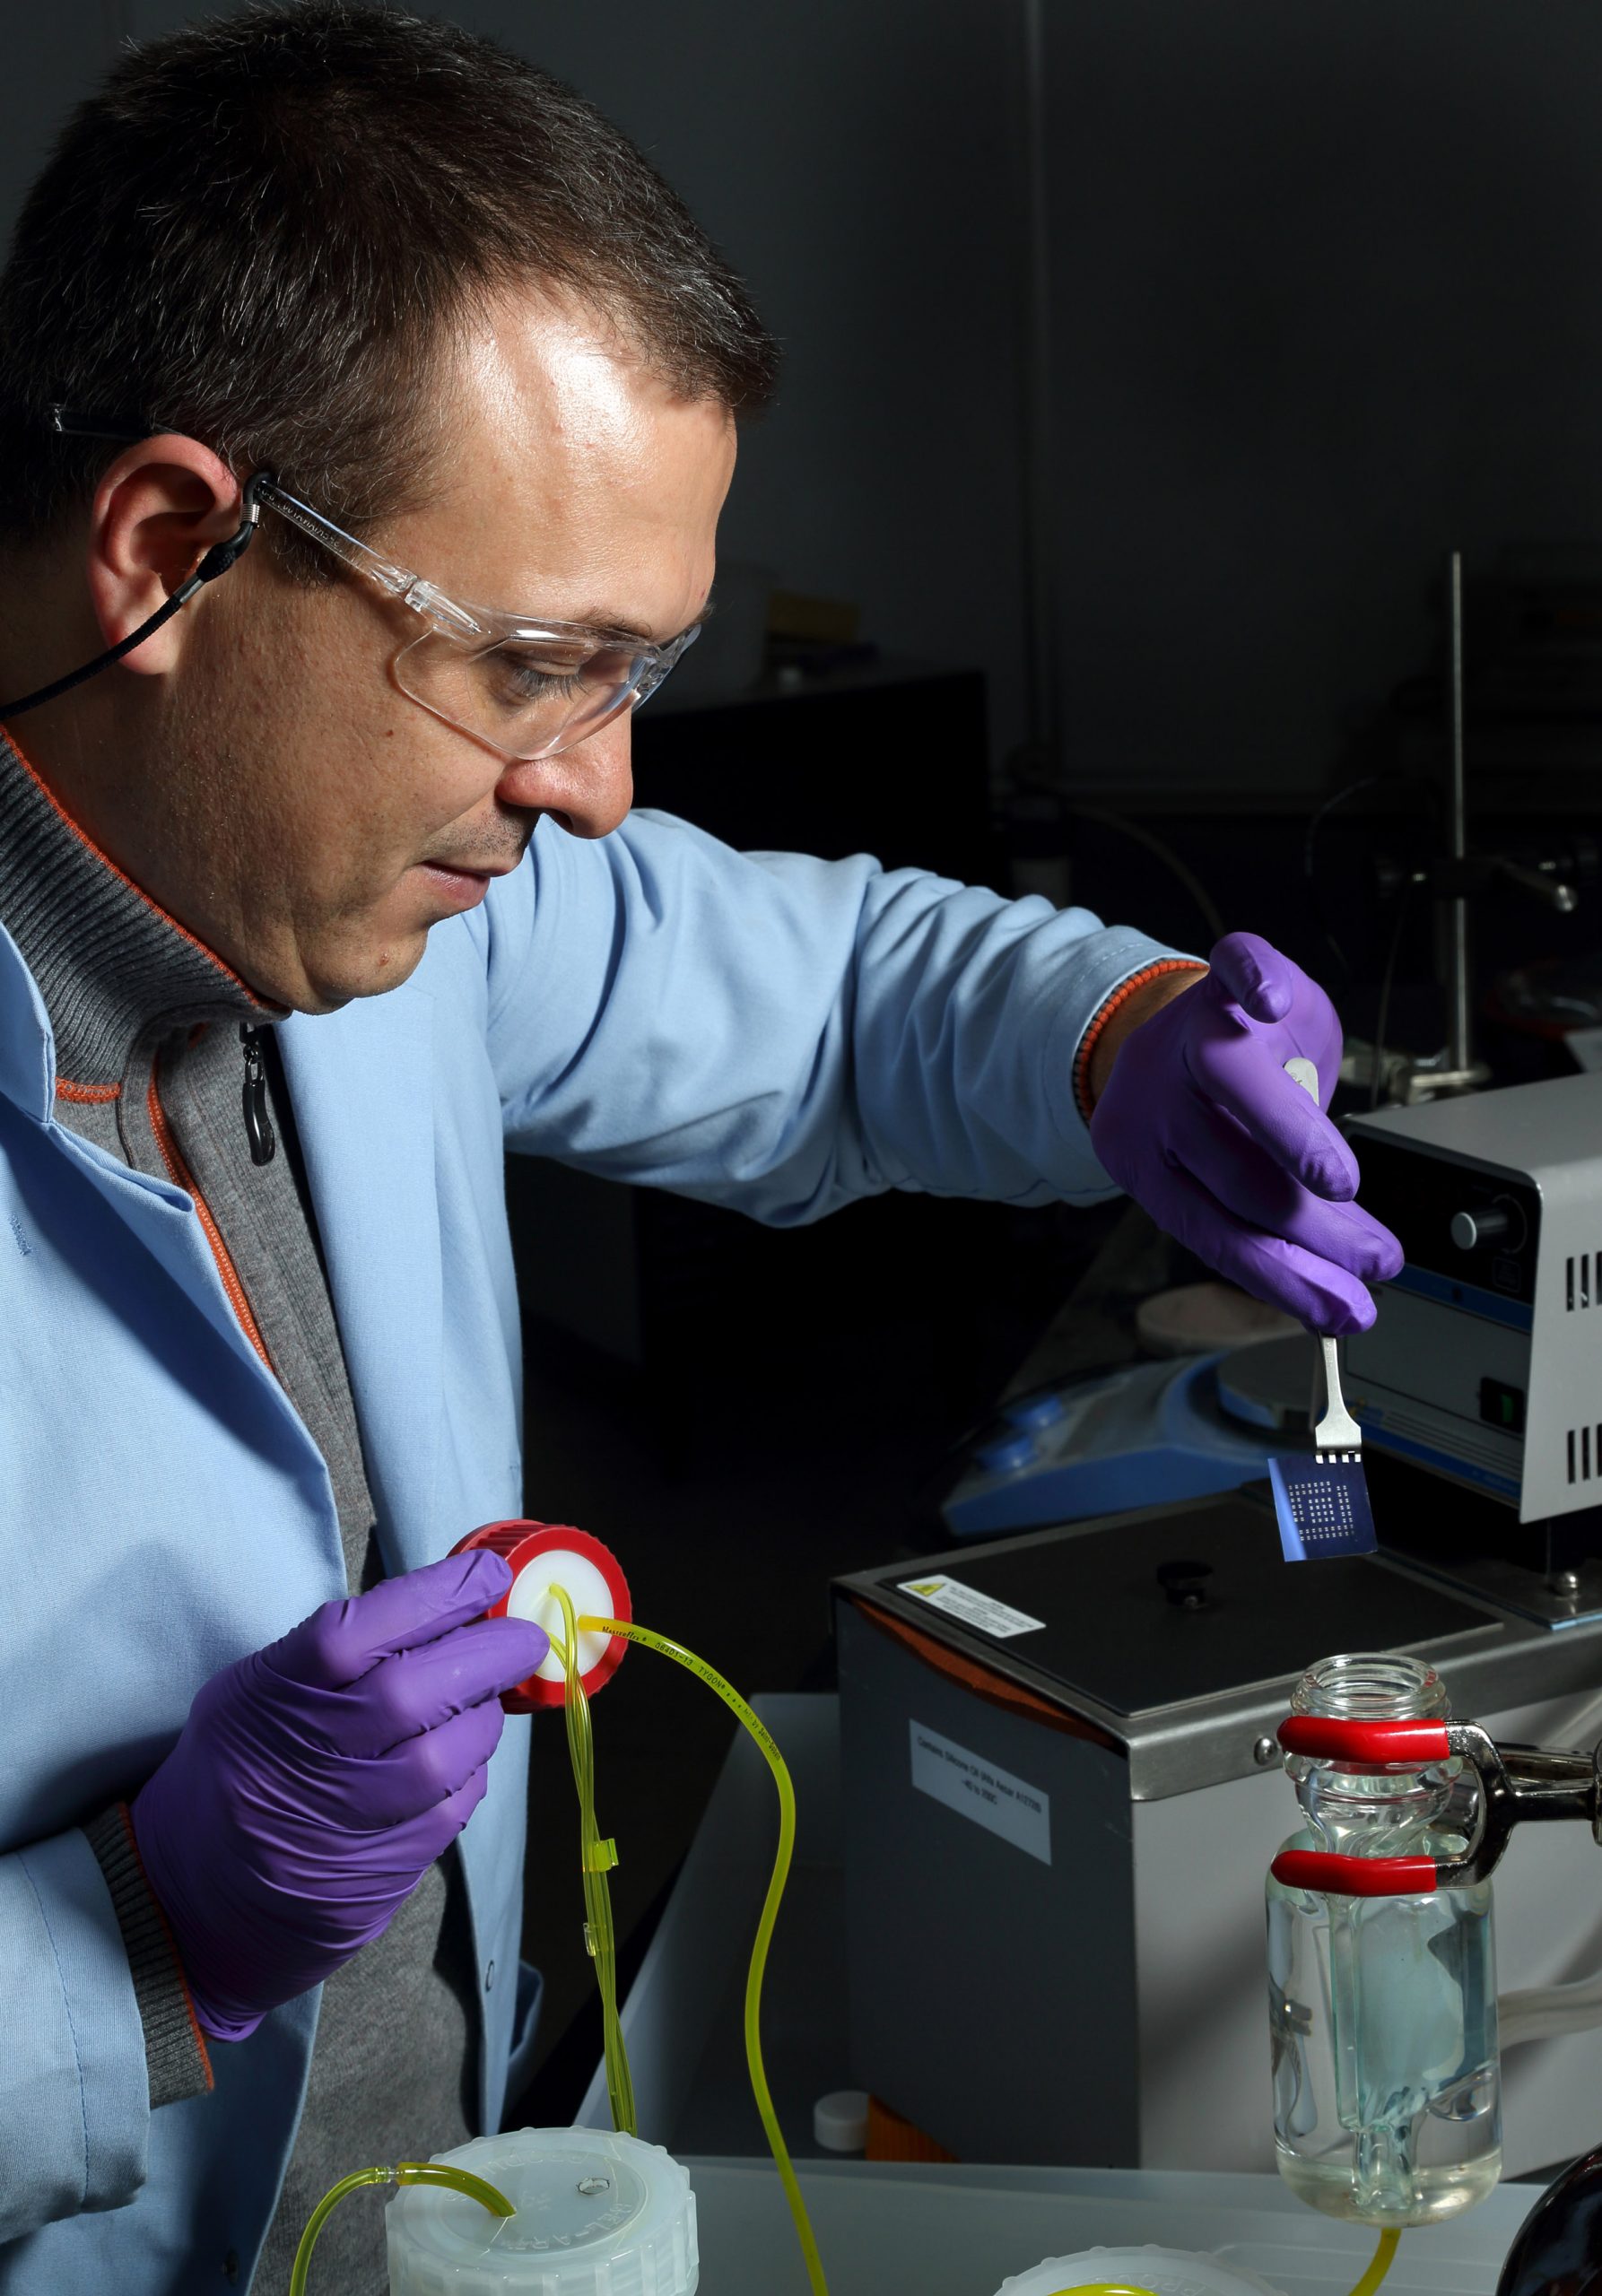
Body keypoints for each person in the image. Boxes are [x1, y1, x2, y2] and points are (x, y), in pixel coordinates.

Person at [0, 6, 1402, 2290]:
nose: (596, 790)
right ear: (169, 550)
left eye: (633, 675)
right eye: (532, 663)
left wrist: (1118, 1035)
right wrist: (136, 1944)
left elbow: (832, 991)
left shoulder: (373, 884)